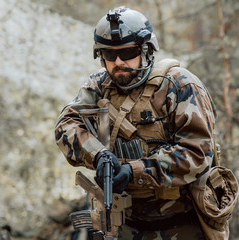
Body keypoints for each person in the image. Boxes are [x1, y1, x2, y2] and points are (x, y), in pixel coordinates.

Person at [55, 6, 216, 240]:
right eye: (110, 55)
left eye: (128, 52)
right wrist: (98, 154)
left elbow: (197, 153)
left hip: (180, 226)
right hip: (124, 226)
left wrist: (133, 171)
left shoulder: (180, 85)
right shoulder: (99, 86)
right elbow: (65, 125)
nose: (118, 61)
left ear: (145, 50)